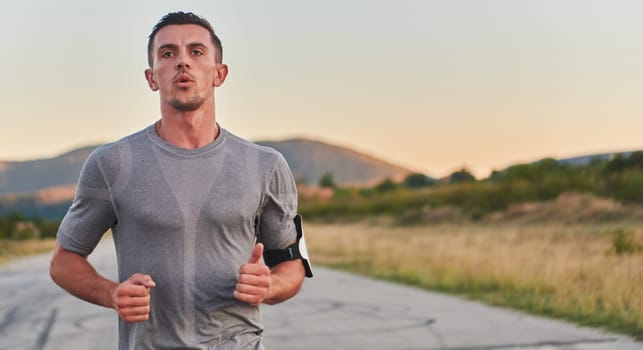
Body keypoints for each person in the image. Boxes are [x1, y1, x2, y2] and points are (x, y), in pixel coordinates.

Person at [50, 11, 308, 349]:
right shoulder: (111, 164)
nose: (182, 62)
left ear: (220, 73)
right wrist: (112, 293)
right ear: (151, 77)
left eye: (196, 52)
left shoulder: (266, 166)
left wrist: (269, 286)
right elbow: (63, 262)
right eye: (168, 53)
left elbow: (292, 266)